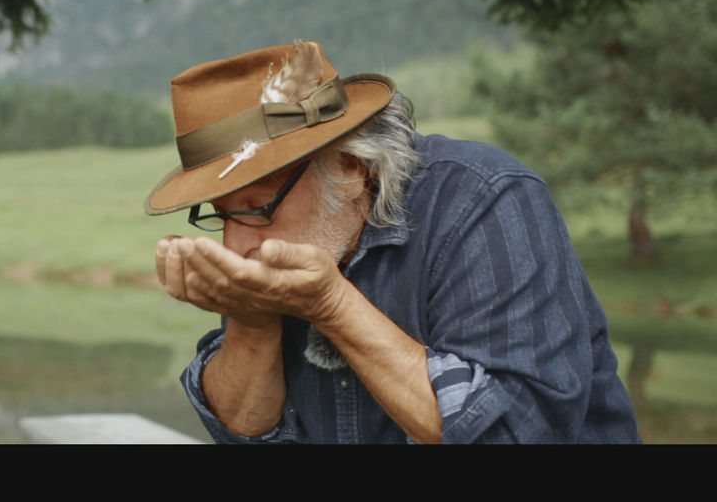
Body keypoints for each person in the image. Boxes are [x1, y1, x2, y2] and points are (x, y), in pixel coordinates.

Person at [144, 40, 641, 444]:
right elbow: (245, 434)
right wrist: (252, 320)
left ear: (352, 168)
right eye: (221, 214)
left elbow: (516, 434)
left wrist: (332, 305)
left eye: (257, 206)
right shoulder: (265, 249)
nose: (236, 246)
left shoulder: (486, 200)